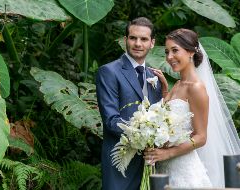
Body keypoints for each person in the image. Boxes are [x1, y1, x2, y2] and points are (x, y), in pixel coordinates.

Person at [144, 28, 240, 188]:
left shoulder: (196, 88)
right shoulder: (179, 84)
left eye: (175, 50)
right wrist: (165, 92)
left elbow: (201, 137)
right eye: (167, 52)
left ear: (191, 52)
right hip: (165, 166)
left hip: (184, 170)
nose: (169, 57)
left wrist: (167, 153)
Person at [96, 17, 168, 190]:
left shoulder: (155, 76)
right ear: (125, 40)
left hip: (150, 162)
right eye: (133, 38)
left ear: (152, 43)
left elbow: (160, 116)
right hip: (120, 160)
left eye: (143, 39)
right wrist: (144, 134)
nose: (138, 43)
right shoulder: (109, 71)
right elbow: (111, 120)